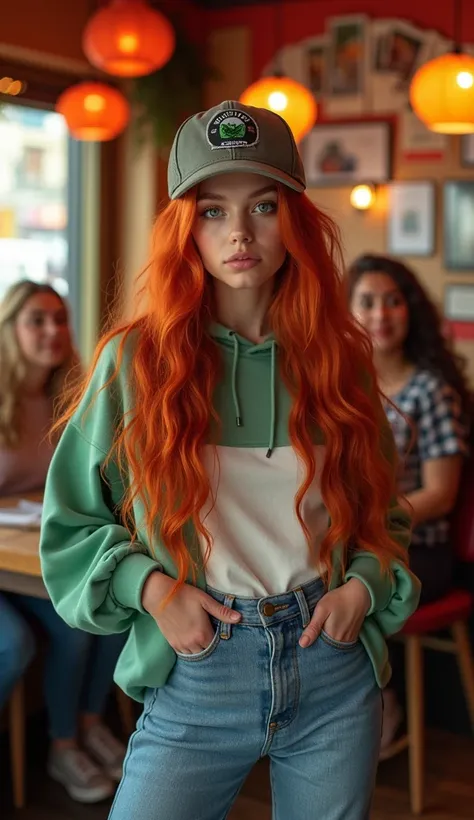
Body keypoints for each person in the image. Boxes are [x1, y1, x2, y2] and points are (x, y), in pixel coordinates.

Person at [40, 102, 420, 820]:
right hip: (200, 664)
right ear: (186, 229)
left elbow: (384, 515)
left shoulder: (341, 362)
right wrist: (152, 590)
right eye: (213, 210)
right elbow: (71, 523)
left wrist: (363, 589)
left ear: (296, 219)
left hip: (330, 660)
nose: (240, 232)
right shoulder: (139, 362)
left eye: (264, 206)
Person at [0, 281, 127, 803]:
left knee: (108, 610)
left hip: (35, 559)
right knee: (27, 641)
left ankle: (83, 729)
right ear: (10, 329)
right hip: (8, 563)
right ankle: (63, 743)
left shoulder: (71, 395)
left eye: (60, 318)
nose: (53, 331)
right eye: (37, 320)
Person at [347, 254, 471, 755]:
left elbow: (441, 496)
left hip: (418, 548)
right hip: (354, 539)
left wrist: (372, 521)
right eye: (367, 302)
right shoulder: (344, 389)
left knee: (344, 583)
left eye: (393, 301)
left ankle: (380, 699)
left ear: (411, 310)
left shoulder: (431, 391)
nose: (380, 314)